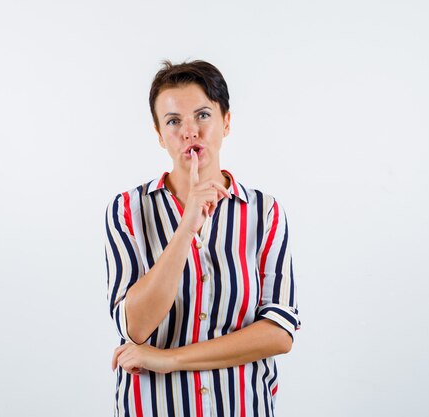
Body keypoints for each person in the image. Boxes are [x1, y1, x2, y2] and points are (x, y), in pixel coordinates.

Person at [104, 60, 300, 417]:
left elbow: (278, 333)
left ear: (226, 122)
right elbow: (135, 326)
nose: (189, 131)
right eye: (174, 121)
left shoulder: (265, 212)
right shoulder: (128, 210)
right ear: (160, 135)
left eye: (203, 115)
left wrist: (170, 359)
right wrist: (185, 229)